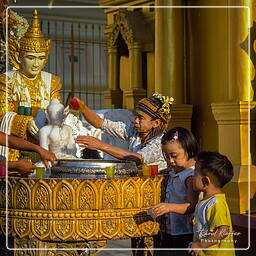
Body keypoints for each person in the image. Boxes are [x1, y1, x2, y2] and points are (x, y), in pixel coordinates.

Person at [0, 9, 62, 162]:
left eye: (41, 58)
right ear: (19, 57)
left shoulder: (52, 81)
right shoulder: (7, 80)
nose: (36, 64)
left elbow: (56, 110)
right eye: (31, 58)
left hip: (46, 144)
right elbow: (2, 115)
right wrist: (25, 122)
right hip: (15, 147)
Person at [74, 93, 174, 170]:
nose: (136, 120)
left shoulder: (161, 141)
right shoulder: (134, 130)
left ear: (156, 123)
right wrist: (83, 108)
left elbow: (138, 158)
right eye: (136, 116)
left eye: (141, 118)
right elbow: (100, 123)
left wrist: (100, 145)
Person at [152, 127, 200, 255]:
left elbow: (191, 206)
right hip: (172, 228)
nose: (170, 161)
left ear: (189, 150)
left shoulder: (190, 176)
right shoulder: (177, 170)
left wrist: (169, 207)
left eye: (174, 156)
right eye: (166, 157)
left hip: (184, 231)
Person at [188, 151, 235, 256]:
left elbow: (223, 230)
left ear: (205, 181)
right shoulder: (206, 201)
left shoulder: (216, 203)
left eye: (195, 173)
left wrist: (200, 245)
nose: (192, 177)